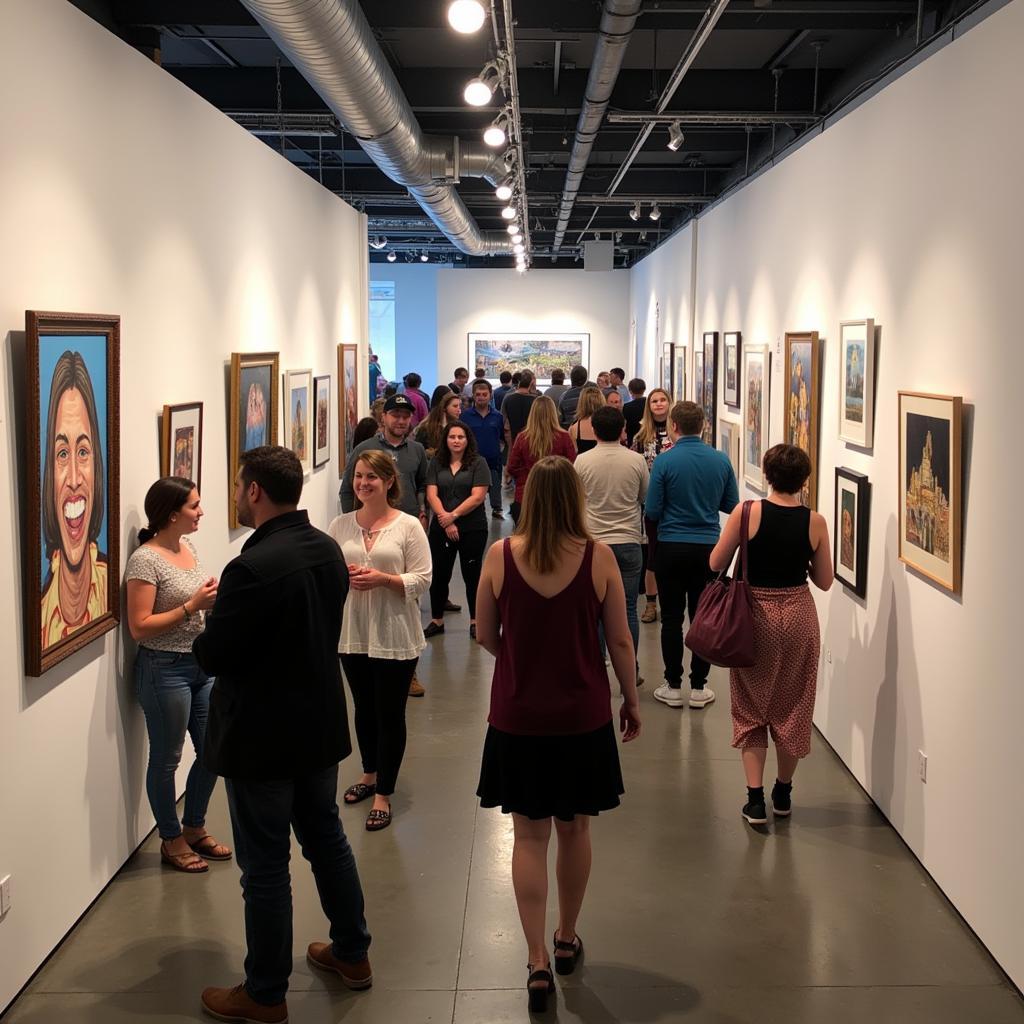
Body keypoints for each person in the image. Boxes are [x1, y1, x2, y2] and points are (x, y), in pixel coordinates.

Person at [195, 446, 372, 1024]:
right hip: (318, 726)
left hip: (263, 737)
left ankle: (266, 993)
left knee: (266, 866)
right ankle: (352, 954)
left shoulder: (251, 568)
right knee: (326, 839)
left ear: (254, 492)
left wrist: (205, 625)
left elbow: (214, 654)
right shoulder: (325, 548)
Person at [475, 456, 641, 1013]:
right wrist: (631, 699)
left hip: (518, 716)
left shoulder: (500, 556)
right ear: (575, 498)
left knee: (528, 837)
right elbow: (620, 641)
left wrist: (521, 660)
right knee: (574, 830)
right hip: (582, 716)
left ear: (527, 497)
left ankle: (535, 960)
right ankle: (566, 938)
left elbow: (483, 633)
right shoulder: (600, 559)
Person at [709, 444, 833, 825]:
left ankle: (755, 799)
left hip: (754, 615)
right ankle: (783, 791)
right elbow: (824, 581)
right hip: (798, 614)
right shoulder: (815, 522)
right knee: (794, 706)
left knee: (750, 706)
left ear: (766, 474)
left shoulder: (746, 513)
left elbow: (715, 562)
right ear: (804, 480)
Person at [125, 476, 224, 875]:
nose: (201, 512)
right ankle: (171, 837)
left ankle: (195, 824)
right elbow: (139, 626)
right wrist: (192, 604)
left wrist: (209, 604)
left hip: (200, 664)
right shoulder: (145, 561)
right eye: (194, 506)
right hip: (164, 669)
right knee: (167, 760)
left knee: (215, 751)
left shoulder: (187, 546)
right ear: (171, 514)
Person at [328, 451, 432, 832]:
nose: (363, 483)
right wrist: (345, 574)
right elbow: (327, 576)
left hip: (394, 633)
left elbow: (423, 579)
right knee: (363, 709)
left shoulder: (408, 527)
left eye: (372, 477)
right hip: (353, 633)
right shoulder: (339, 526)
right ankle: (369, 774)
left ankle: (384, 793)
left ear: (389, 482)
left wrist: (383, 580)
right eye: (358, 476)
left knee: (390, 714)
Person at [646, 401, 739, 710]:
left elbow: (654, 510)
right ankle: (699, 687)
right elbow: (730, 505)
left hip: (671, 547)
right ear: (704, 426)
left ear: (674, 427)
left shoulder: (665, 461)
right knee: (703, 618)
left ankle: (673, 685)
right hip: (709, 550)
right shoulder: (720, 460)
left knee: (671, 618)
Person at [574, 407, 649, 687]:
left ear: (593, 429)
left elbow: (576, 500)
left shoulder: (581, 461)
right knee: (628, 607)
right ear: (622, 430)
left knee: (593, 610)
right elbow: (644, 497)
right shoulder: (636, 460)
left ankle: (595, 666)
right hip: (629, 541)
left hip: (593, 545)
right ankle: (631, 667)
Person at [40, 350, 109, 646]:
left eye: (82, 452)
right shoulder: (40, 616)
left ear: (97, 465)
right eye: (62, 454)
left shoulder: (111, 589)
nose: (73, 479)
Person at [423, 423, 491, 640]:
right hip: (441, 527)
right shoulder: (436, 462)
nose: (456, 440)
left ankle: (475, 621)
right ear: (446, 440)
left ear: (467, 439)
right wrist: (446, 520)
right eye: (452, 436)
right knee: (440, 574)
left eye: (461, 437)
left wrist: (453, 516)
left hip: (472, 528)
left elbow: (478, 496)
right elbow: (431, 494)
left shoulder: (479, 463)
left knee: (472, 575)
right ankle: (437, 620)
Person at [632, 388, 673, 624]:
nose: (658, 404)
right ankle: (650, 604)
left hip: (675, 501)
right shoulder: (640, 437)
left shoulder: (677, 434)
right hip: (650, 503)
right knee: (652, 556)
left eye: (662, 400)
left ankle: (668, 600)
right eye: (654, 401)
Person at [507, 396, 576, 524]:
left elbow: (511, 467)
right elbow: (571, 466)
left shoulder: (522, 437)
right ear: (554, 413)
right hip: (557, 494)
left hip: (526, 494)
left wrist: (525, 476)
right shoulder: (564, 437)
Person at [461, 378, 506, 519]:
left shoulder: (498, 416)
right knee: (472, 491)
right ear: (473, 396)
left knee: (495, 486)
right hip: (471, 461)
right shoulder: (465, 416)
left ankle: (497, 509)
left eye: (484, 394)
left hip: (493, 460)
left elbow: (502, 438)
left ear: (490, 395)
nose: (481, 397)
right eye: (478, 394)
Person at [415, 391, 463, 458]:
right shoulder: (427, 428)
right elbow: (417, 452)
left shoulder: (460, 427)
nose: (459, 409)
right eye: (455, 406)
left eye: (459, 406)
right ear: (444, 408)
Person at [502, 368, 538, 453]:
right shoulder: (536, 400)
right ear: (531, 383)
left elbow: (503, 420)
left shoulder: (508, 398)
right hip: (532, 441)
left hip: (513, 440)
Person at [568, 385, 605, 455]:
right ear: (601, 401)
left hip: (583, 464)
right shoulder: (609, 424)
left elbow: (574, 453)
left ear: (582, 403)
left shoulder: (574, 428)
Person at [622, 378, 646, 449]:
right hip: (647, 434)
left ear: (630, 391)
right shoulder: (649, 404)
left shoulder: (627, 406)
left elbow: (625, 424)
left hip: (632, 436)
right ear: (644, 389)